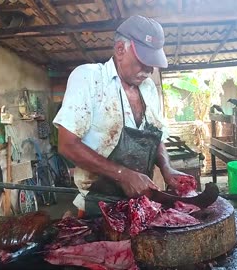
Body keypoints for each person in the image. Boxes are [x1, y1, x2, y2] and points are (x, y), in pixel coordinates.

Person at [53, 15, 194, 218]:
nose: (149, 70)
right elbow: (67, 145)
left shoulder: (149, 89)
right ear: (120, 50)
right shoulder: (90, 79)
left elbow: (156, 137)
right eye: (144, 61)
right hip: (98, 206)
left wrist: (166, 168)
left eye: (153, 64)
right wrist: (123, 175)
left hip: (143, 206)